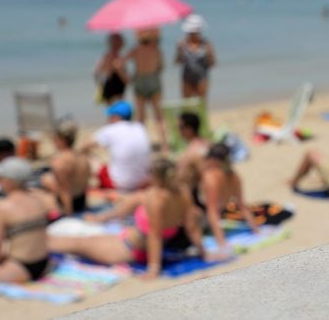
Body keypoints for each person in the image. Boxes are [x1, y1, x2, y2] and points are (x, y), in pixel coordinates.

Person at [49, 158, 206, 279]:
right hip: (128, 241)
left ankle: (34, 245)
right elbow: (192, 226)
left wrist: (153, 268)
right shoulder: (183, 192)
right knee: (84, 240)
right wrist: (203, 253)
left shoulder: (156, 198)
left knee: (75, 244)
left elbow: (155, 235)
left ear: (156, 176)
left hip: (129, 250)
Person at [196, 144, 257, 250]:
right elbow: (243, 206)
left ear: (213, 160)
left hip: (199, 221)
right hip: (214, 215)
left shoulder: (210, 177)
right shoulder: (234, 176)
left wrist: (221, 241)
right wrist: (256, 229)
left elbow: (212, 211)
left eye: (207, 158)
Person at [83, 101, 151, 192]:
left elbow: (84, 146)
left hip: (119, 184)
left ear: (116, 117)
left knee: (90, 158)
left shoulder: (111, 129)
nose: (108, 119)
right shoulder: (140, 128)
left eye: (110, 116)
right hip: (142, 182)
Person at [126, 28, 169, 153]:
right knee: (159, 116)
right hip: (153, 80)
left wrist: (128, 78)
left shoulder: (135, 50)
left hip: (140, 80)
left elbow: (118, 63)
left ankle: (141, 145)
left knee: (141, 117)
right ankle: (164, 145)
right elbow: (161, 67)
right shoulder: (156, 50)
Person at [40, 118, 91, 215]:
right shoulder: (83, 157)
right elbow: (84, 186)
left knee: (43, 185)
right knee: (47, 179)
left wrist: (69, 215)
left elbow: (65, 190)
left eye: (54, 138)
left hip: (68, 205)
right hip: (81, 201)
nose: (53, 141)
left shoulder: (60, 161)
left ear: (61, 139)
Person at [175, 14, 216, 100]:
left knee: (201, 104)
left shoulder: (206, 44)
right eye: (190, 33)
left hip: (201, 78)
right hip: (186, 78)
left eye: (194, 33)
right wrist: (179, 51)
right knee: (187, 104)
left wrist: (209, 55)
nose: (192, 35)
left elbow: (212, 64)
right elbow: (178, 62)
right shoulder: (183, 44)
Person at [175, 112, 210, 193]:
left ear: (189, 129)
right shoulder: (209, 144)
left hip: (198, 194)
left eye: (180, 127)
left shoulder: (190, 151)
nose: (178, 131)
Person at [93, 33, 129, 105]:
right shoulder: (118, 58)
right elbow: (124, 78)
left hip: (108, 84)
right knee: (118, 110)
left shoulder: (105, 56)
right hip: (116, 85)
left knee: (112, 111)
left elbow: (96, 72)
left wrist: (100, 84)